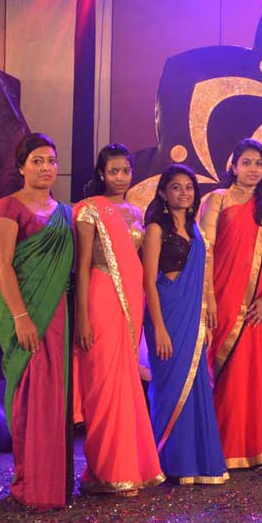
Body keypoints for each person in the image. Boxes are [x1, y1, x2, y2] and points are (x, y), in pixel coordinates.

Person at [73, 144, 164, 496]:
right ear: (101, 174)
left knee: (126, 385)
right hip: (100, 299)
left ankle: (126, 467)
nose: (120, 177)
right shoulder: (89, 210)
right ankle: (104, 470)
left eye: (125, 170)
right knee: (103, 385)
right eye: (113, 171)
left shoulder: (136, 212)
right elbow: (82, 267)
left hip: (132, 303)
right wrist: (82, 317)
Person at [0, 133, 74, 508]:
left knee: (53, 396)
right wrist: (22, 318)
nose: (45, 168)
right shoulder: (9, 206)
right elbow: (1, 264)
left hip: (58, 313)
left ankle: (52, 483)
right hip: (24, 312)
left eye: (51, 161)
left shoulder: (66, 213)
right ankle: (31, 483)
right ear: (21, 167)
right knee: (29, 395)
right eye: (37, 161)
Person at [200, 138, 262, 469]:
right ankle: (221, 445)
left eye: (258, 164)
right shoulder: (217, 199)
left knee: (254, 372)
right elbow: (205, 249)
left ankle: (253, 446)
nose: (252, 169)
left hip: (258, 305)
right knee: (225, 371)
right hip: (221, 297)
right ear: (233, 166)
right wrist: (208, 298)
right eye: (246, 162)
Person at [142, 164, 228, 485]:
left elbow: (202, 277)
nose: (184, 193)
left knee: (194, 386)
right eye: (176, 187)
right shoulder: (155, 229)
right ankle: (168, 459)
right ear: (164, 193)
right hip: (167, 310)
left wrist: (205, 316)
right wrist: (159, 328)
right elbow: (148, 282)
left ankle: (194, 461)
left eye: (189, 187)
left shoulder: (196, 230)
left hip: (192, 314)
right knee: (170, 384)